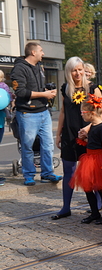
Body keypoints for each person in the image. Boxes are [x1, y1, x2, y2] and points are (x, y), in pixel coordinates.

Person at [52, 57, 102, 220]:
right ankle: (66, 207)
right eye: (74, 70)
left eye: (80, 69)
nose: (78, 72)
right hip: (69, 135)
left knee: (92, 173)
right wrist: (58, 134)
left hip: (89, 136)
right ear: (69, 72)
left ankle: (98, 205)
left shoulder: (93, 89)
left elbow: (101, 114)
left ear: (84, 70)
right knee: (68, 171)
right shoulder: (65, 88)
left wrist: (88, 128)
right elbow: (63, 113)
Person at [12, 42, 62, 186]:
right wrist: (44, 94)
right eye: (41, 50)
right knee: (27, 146)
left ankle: (47, 173)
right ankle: (29, 175)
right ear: (33, 52)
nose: (43, 53)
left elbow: (36, 88)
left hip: (43, 112)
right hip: (28, 113)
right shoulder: (19, 68)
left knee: (47, 144)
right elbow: (20, 92)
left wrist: (47, 91)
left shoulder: (39, 67)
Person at [71, 95, 102, 225]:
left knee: (101, 190)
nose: (82, 115)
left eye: (83, 113)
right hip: (89, 158)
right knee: (88, 188)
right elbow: (93, 142)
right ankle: (94, 212)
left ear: (92, 114)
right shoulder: (93, 126)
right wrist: (84, 140)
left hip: (98, 159)